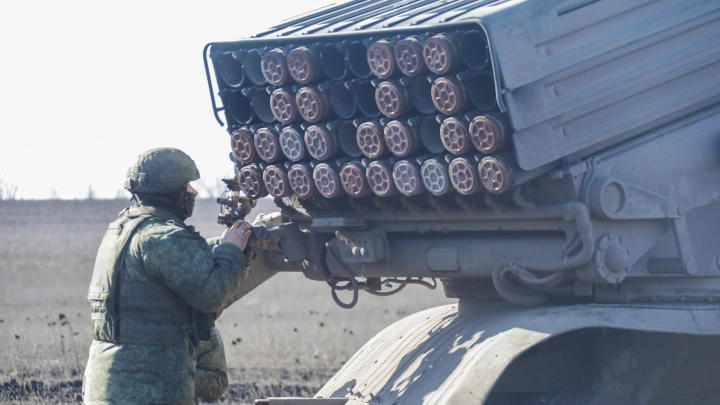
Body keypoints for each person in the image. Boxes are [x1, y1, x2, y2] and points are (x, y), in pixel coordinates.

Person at [83, 148, 252, 404]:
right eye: (187, 186)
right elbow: (213, 294)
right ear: (170, 191)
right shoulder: (161, 237)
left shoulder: (121, 231)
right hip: (148, 386)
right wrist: (230, 251)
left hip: (108, 381)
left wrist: (224, 243)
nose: (193, 192)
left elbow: (176, 263)